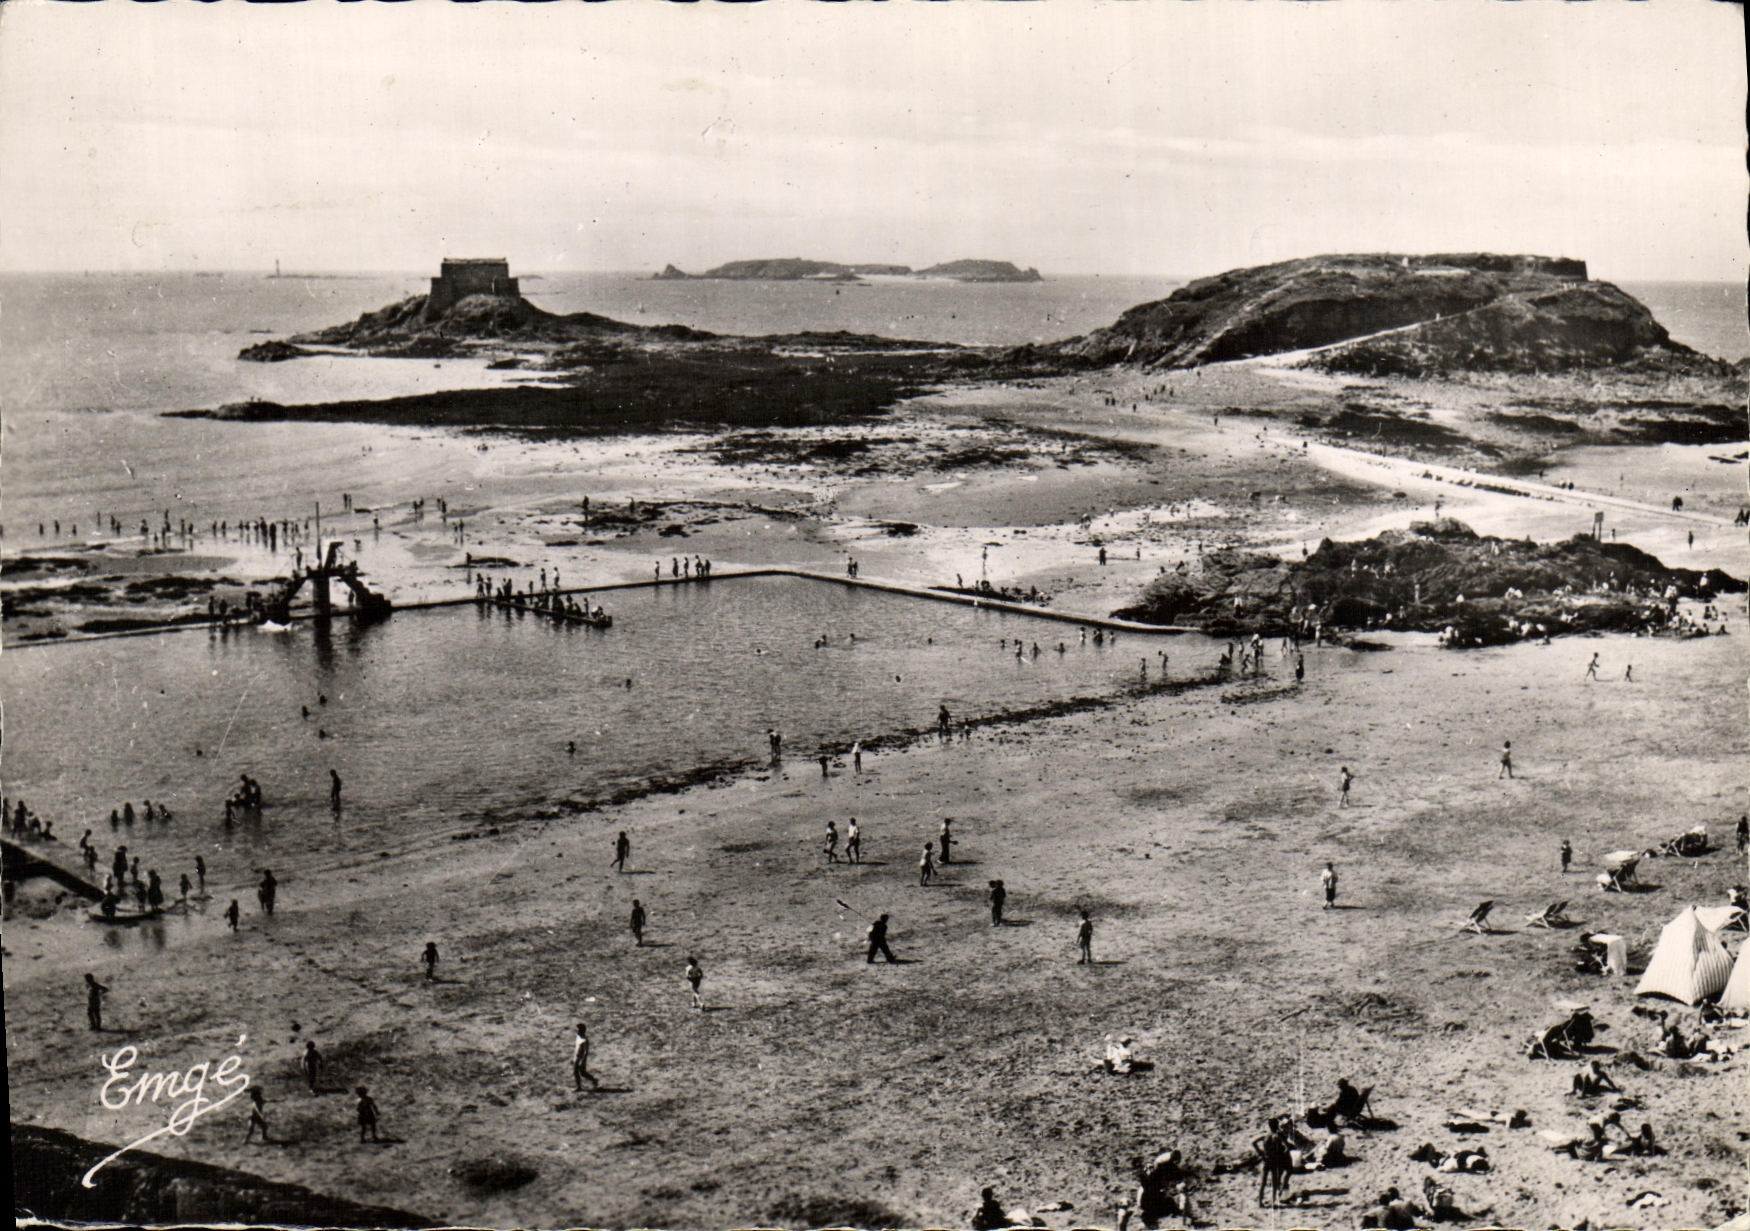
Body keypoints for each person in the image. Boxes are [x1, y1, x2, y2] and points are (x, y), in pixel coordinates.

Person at [572, 1022, 599, 1091]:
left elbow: (585, 1052)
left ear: (582, 1031)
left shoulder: (584, 1040)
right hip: (577, 1057)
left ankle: (593, 1080)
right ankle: (579, 1087)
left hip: (581, 1059)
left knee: (582, 1073)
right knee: (576, 1072)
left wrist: (582, 1061)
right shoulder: (578, 1037)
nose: (577, 1031)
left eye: (578, 1030)